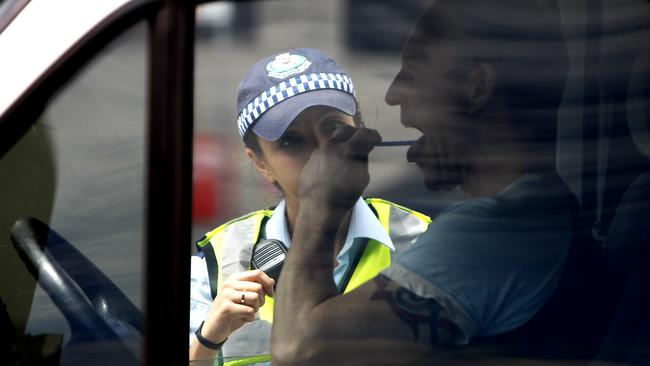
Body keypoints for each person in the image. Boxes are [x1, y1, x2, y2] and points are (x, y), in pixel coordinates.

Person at [271, 1, 589, 364]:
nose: (393, 93)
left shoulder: (495, 233)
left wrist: (319, 205)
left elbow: (298, 352)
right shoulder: (543, 211)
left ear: (477, 87)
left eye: (413, 71)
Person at [188, 48, 431, 365]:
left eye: (332, 127)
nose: (320, 150)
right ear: (261, 163)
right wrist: (208, 339)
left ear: (358, 127)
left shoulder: (425, 243)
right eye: (290, 141)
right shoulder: (214, 268)